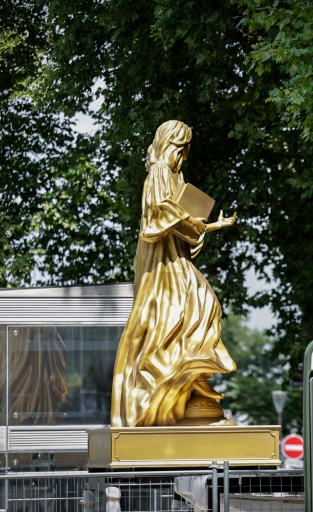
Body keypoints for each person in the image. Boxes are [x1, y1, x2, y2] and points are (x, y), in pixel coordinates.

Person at [110, 120, 237, 427]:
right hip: (161, 263)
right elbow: (159, 215)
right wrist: (194, 222)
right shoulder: (158, 172)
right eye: (181, 148)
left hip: (173, 255)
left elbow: (179, 220)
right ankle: (181, 379)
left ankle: (192, 382)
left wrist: (208, 225)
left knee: (195, 308)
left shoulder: (173, 175)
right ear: (169, 145)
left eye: (187, 149)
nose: (185, 156)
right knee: (197, 304)